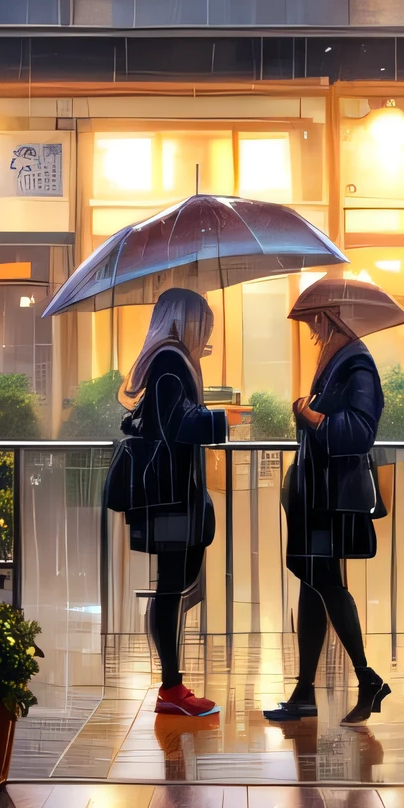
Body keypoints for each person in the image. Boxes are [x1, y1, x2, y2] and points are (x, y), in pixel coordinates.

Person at [265, 279, 403, 726]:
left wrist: (310, 413)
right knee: (313, 582)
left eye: (316, 324)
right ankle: (306, 691)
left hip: (330, 500)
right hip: (318, 499)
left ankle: (366, 677)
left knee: (324, 583)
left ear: (331, 319)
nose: (313, 334)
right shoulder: (339, 365)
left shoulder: (356, 365)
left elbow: (360, 431)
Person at [120, 288, 228, 717]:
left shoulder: (171, 361)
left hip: (170, 493)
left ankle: (173, 684)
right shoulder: (171, 362)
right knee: (170, 587)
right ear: (185, 321)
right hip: (169, 495)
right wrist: (222, 418)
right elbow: (175, 425)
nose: (208, 335)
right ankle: (171, 687)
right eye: (205, 324)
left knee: (174, 586)